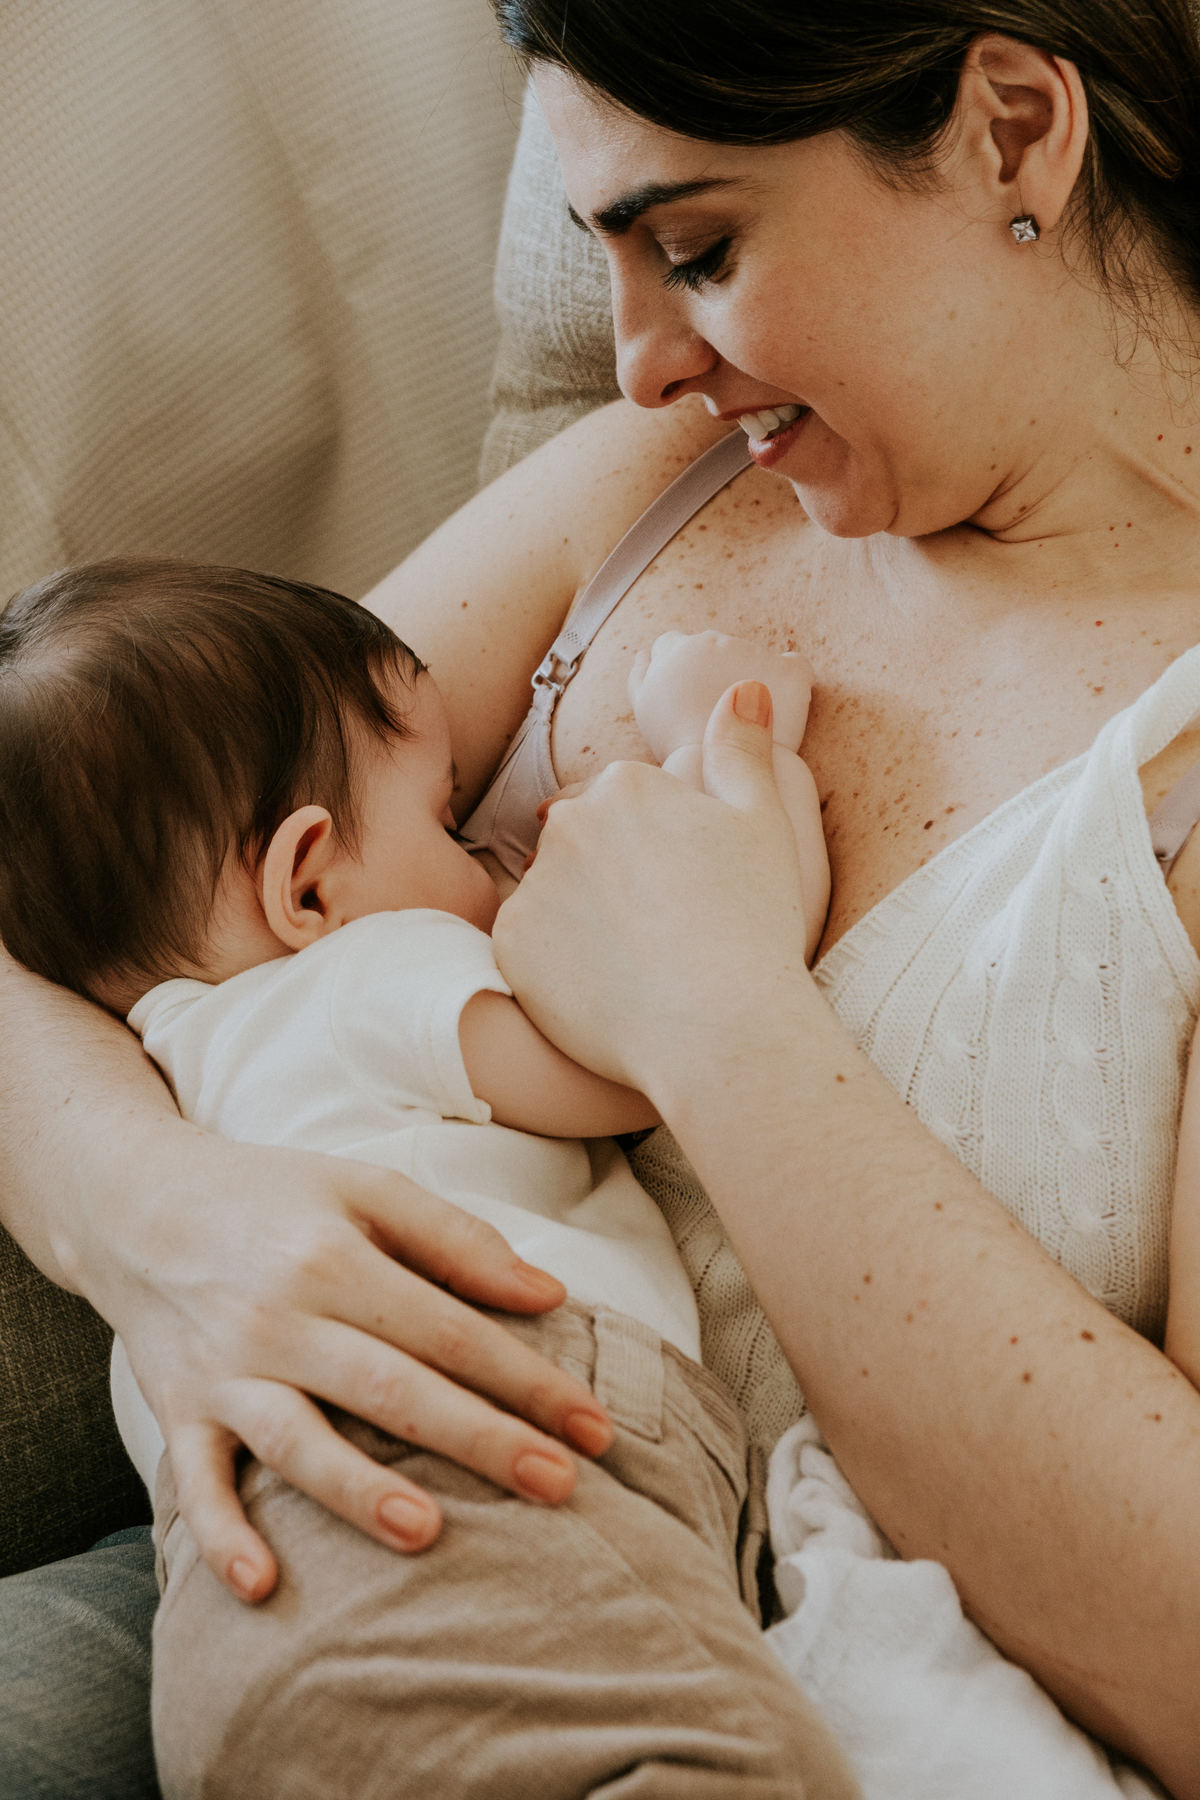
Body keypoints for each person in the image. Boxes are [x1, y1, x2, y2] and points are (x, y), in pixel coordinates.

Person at [1, 0, 1199, 1794]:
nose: (638, 360)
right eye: (609, 266)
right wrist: (167, 1223)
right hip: (310, 1548)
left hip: (831, 1700)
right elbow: (93, 846)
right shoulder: (664, 483)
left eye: (700, 251)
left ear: (1011, 132)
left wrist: (718, 1020)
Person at [0, 558, 847, 1797]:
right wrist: (731, 762)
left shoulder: (168, 1054)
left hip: (231, 1597)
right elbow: (667, 1033)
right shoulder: (379, 973)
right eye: (449, 824)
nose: (493, 856)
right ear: (308, 886)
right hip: (469, 1461)